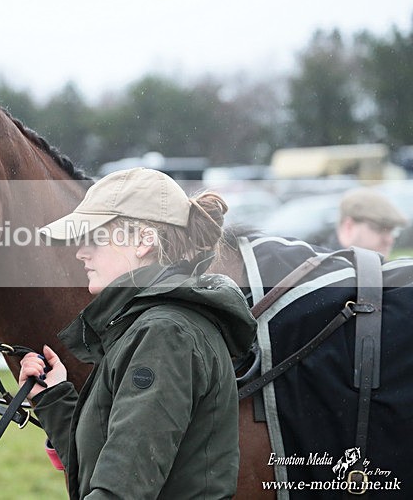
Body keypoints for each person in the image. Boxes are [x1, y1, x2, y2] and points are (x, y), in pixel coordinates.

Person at [18, 168, 257, 499]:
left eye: (95, 237)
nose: (81, 252)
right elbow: (110, 463)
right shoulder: (152, 326)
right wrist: (54, 398)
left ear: (144, 240)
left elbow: (122, 489)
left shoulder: (165, 334)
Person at [335, 187, 408, 258]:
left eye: (393, 231)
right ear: (349, 227)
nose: (389, 240)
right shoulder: (327, 268)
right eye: (379, 229)